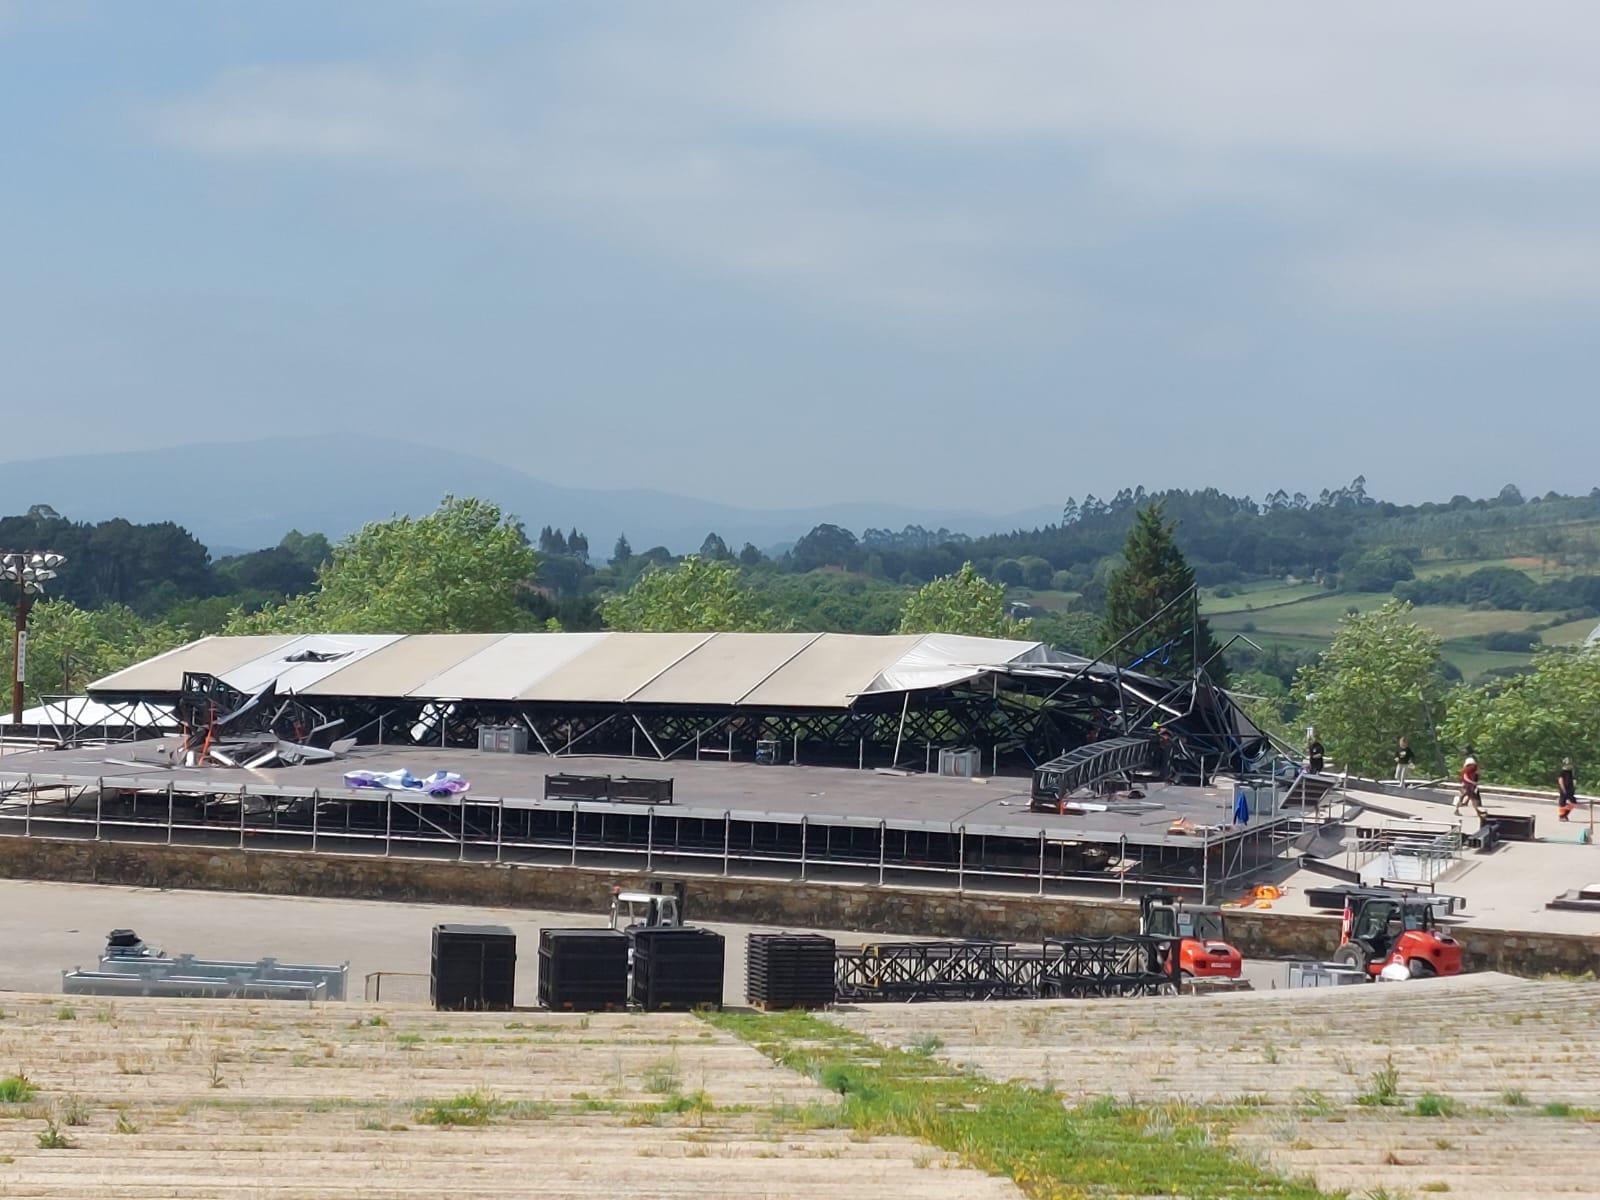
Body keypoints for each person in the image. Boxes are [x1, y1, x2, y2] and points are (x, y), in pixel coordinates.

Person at [1453, 747, 1485, 821]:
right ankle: (1477, 812)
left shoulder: (1471, 768)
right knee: (1472, 799)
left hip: (1468, 785)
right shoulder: (1469, 769)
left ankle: (1457, 810)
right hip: (1468, 785)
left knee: (1468, 798)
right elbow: (1466, 776)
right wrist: (1472, 782)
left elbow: (1471, 775)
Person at [1557, 758, 1578, 822]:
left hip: (1570, 790)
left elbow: (1573, 780)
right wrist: (1563, 789)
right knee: (1562, 803)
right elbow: (1560, 780)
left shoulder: (1571, 772)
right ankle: (1561, 816)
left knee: (1573, 803)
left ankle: (1565, 815)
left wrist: (1573, 787)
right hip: (1564, 790)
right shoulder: (1562, 772)